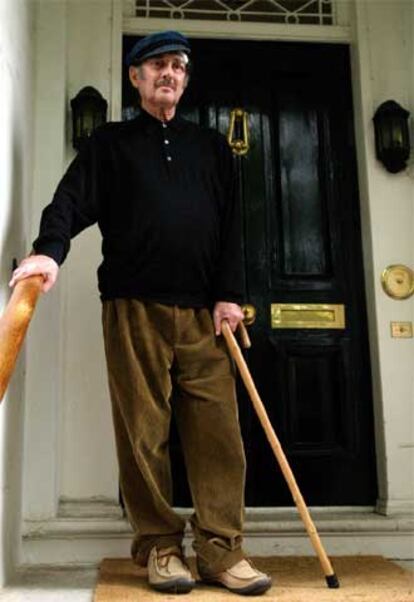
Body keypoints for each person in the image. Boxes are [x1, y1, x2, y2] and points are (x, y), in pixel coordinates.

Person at [10, 31, 272, 596]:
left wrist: (230, 293)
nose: (169, 74)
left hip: (206, 315)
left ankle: (221, 550)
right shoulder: (111, 144)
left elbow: (232, 230)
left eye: (178, 66)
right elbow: (70, 201)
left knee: (219, 434)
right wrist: (48, 251)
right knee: (143, 433)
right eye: (157, 65)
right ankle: (158, 547)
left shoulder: (211, 149)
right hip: (134, 308)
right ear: (135, 76)